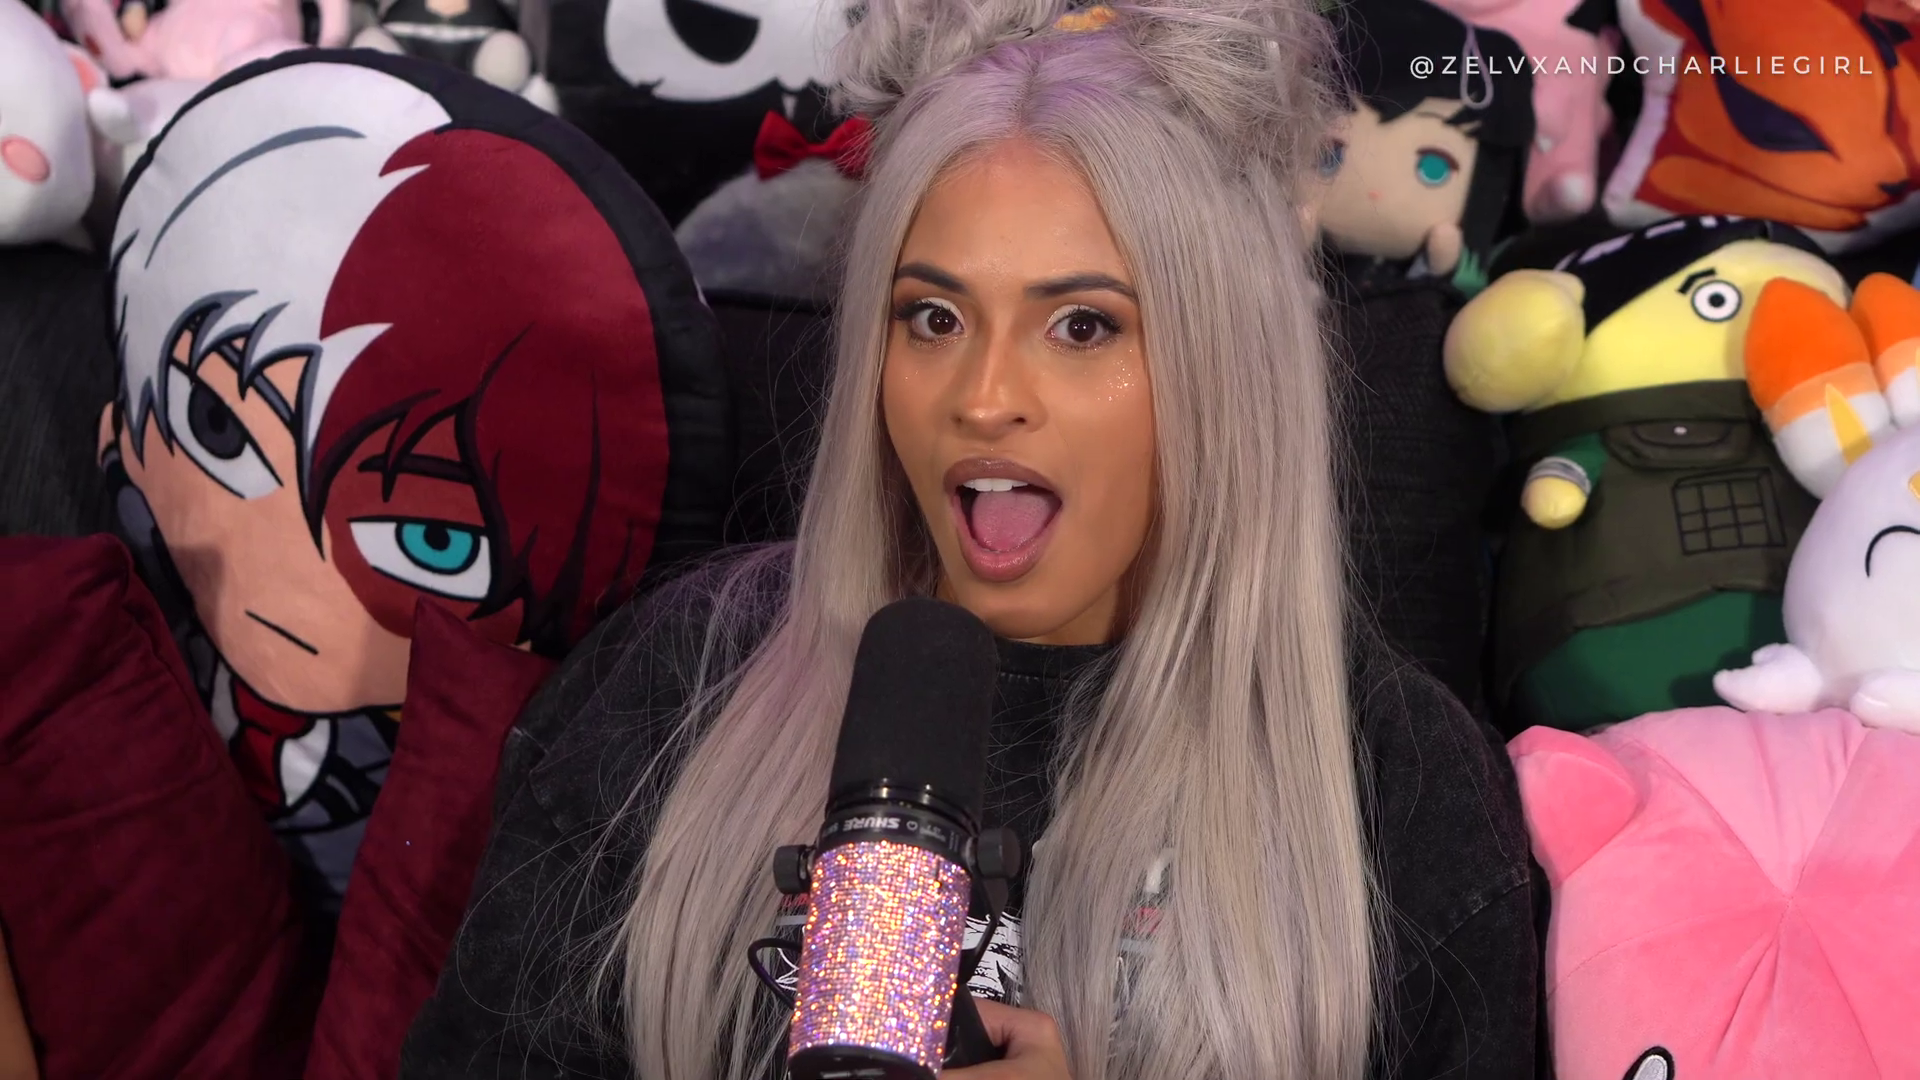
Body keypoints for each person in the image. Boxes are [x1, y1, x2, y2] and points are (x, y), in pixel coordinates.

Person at [401, 2, 1539, 1078]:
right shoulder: (684, 679)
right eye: (933, 318)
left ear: (1227, 365)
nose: (983, 397)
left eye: (1082, 325)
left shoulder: (1398, 789)